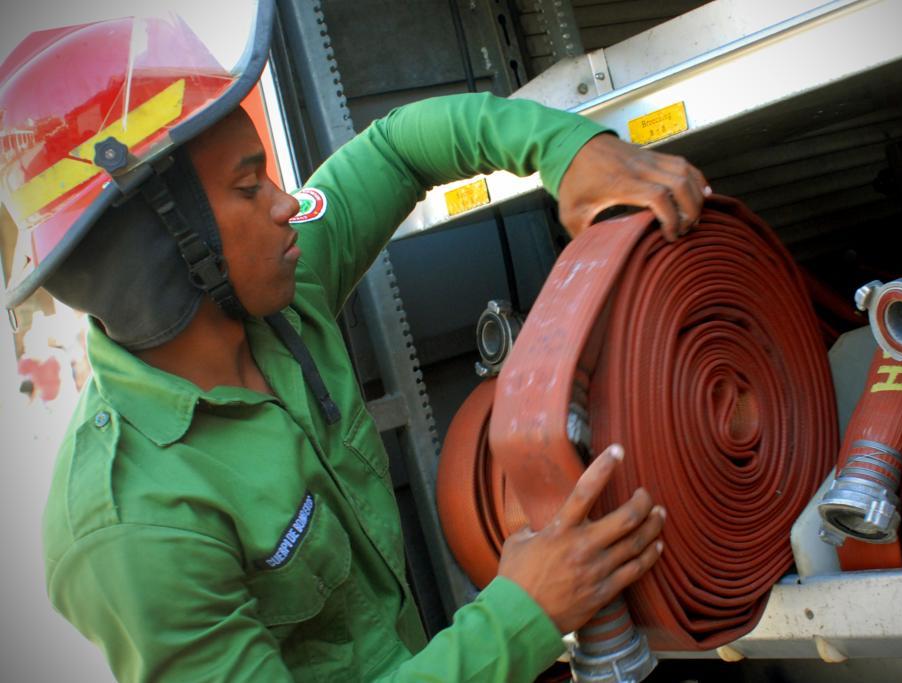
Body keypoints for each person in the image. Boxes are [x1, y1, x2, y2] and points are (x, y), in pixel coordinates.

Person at [3, 10, 708, 683]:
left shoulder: (279, 289)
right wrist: (522, 615)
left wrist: (567, 150)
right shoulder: (133, 528)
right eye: (250, 187)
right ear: (162, 252)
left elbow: (398, 148)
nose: (287, 206)